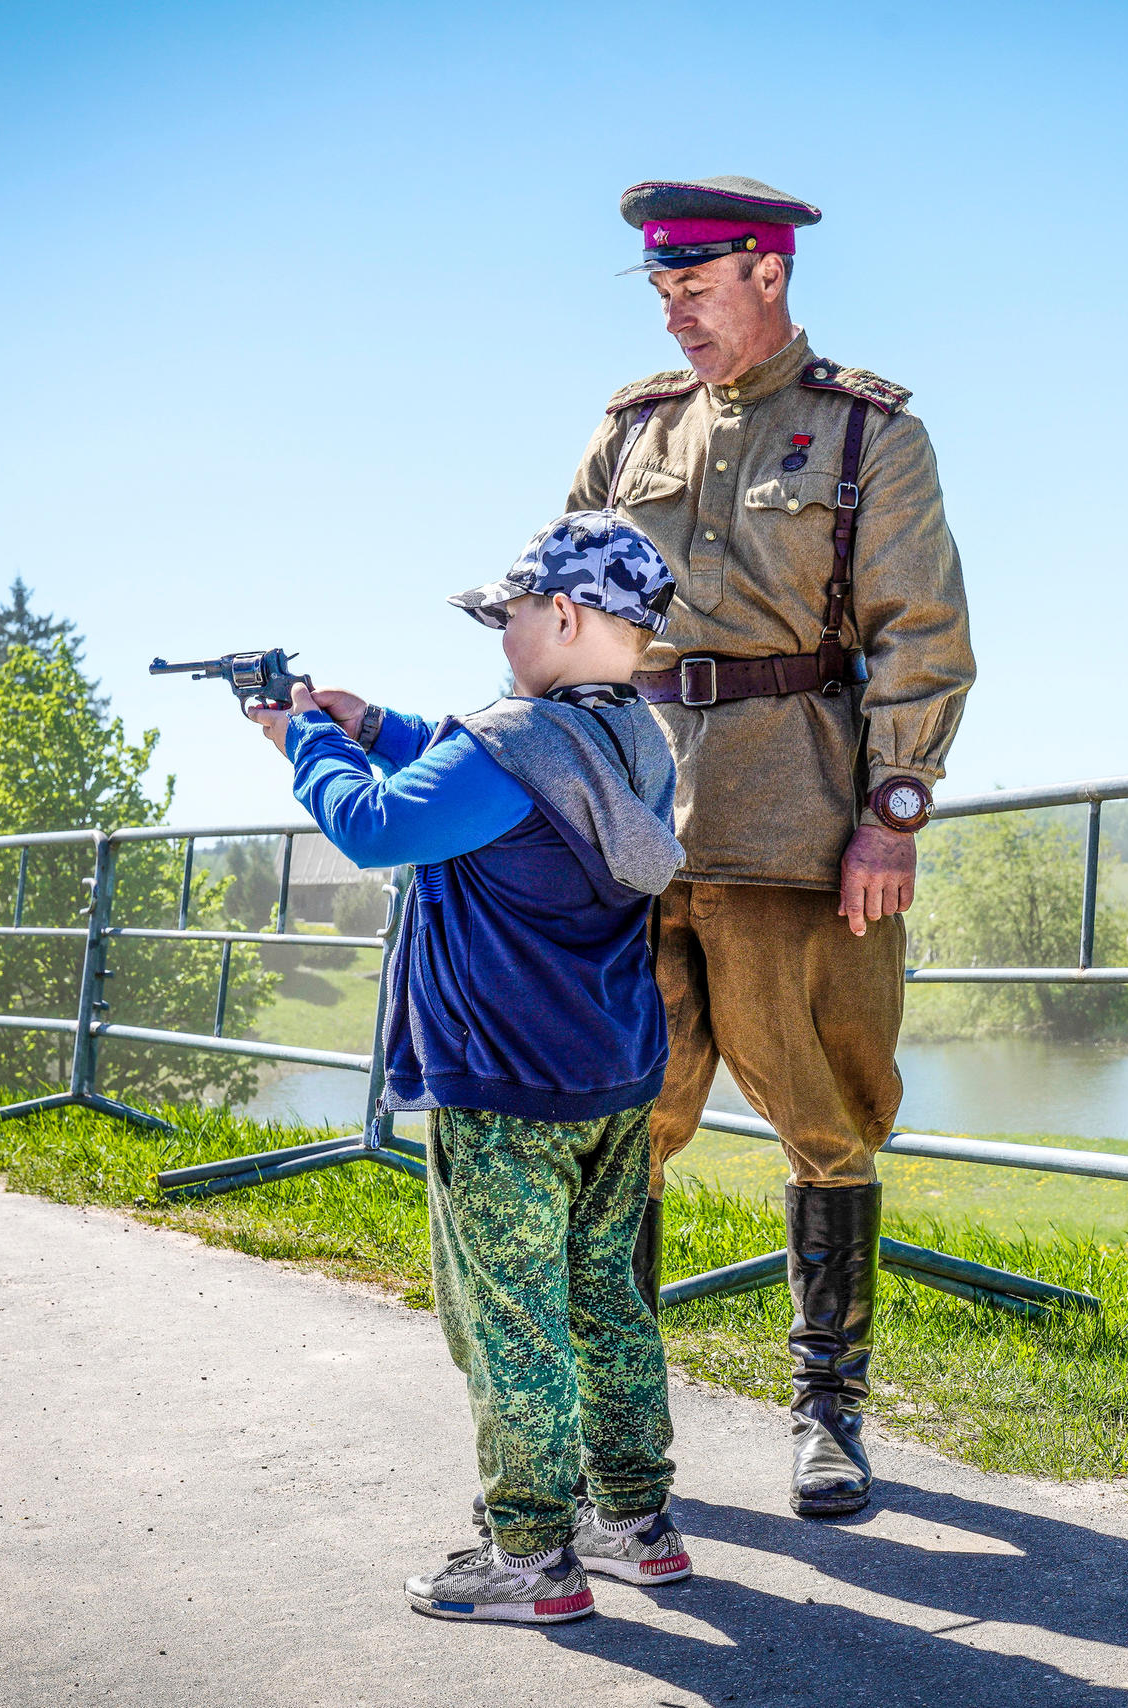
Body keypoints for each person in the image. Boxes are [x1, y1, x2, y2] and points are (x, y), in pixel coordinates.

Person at [569, 175, 975, 1518]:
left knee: (828, 1120)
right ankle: (620, 1422)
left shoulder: (866, 435)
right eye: (660, 291)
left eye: (694, 285)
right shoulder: (630, 431)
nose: (675, 313)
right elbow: (562, 606)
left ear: (767, 273)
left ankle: (829, 1415)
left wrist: (896, 808)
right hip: (632, 828)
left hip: (795, 825)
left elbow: (920, 634)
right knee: (620, 1127)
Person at [250, 512, 694, 1624]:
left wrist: (308, 740)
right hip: (611, 1073)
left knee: (508, 1317)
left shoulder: (510, 741)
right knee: (604, 1299)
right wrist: (384, 722)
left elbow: (374, 827)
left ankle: (530, 1554)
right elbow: (517, 791)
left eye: (508, 617)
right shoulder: (636, 739)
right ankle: (635, 1520)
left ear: (566, 612)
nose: (501, 639)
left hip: (501, 1084)